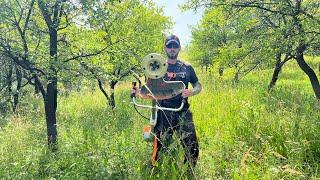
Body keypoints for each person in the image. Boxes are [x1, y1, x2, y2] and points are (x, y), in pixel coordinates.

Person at [151, 34, 202, 170]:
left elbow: (198, 85)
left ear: (179, 48)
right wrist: (137, 92)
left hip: (182, 111)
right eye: (169, 46)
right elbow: (149, 88)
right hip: (163, 112)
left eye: (175, 46)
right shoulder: (157, 67)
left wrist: (192, 91)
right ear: (165, 48)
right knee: (159, 146)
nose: (172, 49)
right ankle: (156, 171)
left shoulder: (187, 67)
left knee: (192, 146)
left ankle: (188, 171)